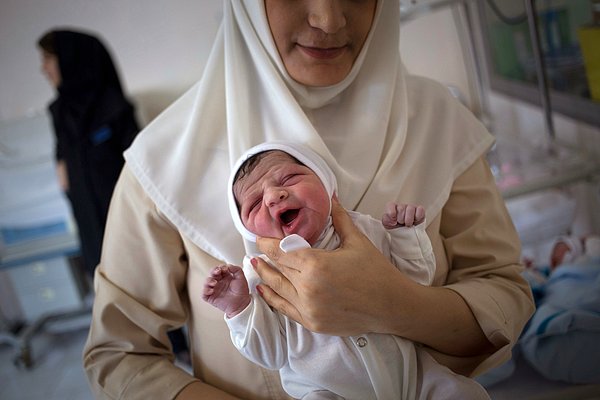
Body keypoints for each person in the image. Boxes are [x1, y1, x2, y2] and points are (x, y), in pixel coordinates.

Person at [83, 1, 535, 399]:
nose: (328, 18)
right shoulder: (165, 160)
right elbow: (119, 357)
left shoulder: (437, 120)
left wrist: (393, 303)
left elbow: (503, 293)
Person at [203, 142, 490, 399]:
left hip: (411, 377)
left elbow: (416, 279)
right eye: (254, 203)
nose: (274, 196)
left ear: (328, 186)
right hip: (326, 390)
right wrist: (239, 308)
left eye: (289, 178)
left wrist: (405, 235)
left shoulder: (363, 229)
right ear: (248, 231)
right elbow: (272, 354)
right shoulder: (259, 273)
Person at [37, 29, 139, 277]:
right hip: (90, 228)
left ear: (71, 60)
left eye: (49, 59)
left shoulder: (113, 108)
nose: (44, 69)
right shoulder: (60, 112)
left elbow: (137, 172)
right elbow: (64, 171)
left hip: (126, 225)